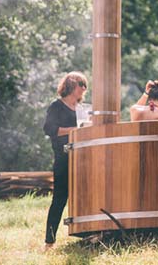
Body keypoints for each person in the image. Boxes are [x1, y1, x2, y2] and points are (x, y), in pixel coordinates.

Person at [43, 71, 87, 248]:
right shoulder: (56, 106)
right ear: (70, 86)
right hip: (63, 159)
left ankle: (89, 234)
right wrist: (75, 130)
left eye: (85, 85)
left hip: (84, 159)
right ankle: (49, 241)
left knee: (86, 195)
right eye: (80, 85)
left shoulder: (83, 109)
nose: (84, 89)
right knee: (60, 199)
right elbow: (49, 129)